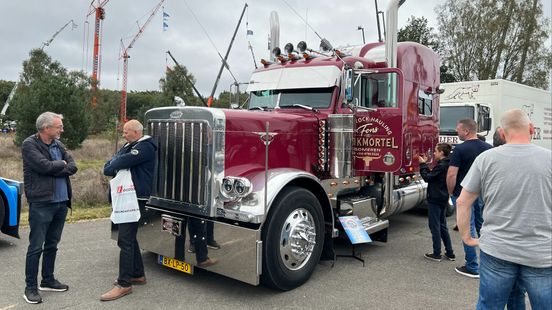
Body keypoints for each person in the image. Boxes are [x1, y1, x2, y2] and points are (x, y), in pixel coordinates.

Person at [456, 108, 551, 309]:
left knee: (490, 305)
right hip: (541, 253)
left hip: (498, 249)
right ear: (532, 129)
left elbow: (463, 202)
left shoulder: (486, 159)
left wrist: (467, 237)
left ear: (501, 133)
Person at [22, 112, 78, 304]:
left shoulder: (58, 144)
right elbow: (43, 166)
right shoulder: (29, 144)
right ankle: (30, 287)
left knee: (52, 245)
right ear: (46, 128)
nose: (62, 129)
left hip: (61, 203)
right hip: (42, 204)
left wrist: (58, 166)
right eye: (59, 127)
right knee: (36, 247)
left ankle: (47, 280)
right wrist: (59, 165)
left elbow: (73, 166)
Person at [101, 120, 156, 301]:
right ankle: (138, 274)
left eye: (126, 132)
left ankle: (124, 284)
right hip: (124, 197)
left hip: (134, 199)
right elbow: (110, 166)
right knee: (128, 238)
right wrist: (115, 162)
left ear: (135, 132)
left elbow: (119, 161)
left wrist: (115, 162)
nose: (123, 134)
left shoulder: (146, 147)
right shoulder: (128, 145)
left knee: (124, 240)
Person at [446, 119, 492, 278]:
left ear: (466, 131)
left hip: (464, 193)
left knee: (468, 228)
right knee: (483, 227)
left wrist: (451, 192)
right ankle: (489, 264)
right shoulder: (488, 148)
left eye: (458, 129)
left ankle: (472, 266)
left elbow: (452, 173)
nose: (456, 132)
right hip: (483, 193)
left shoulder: (459, 149)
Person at [418, 143, 455, 262]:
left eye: (436, 151)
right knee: (442, 225)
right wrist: (426, 164)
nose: (434, 153)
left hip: (435, 198)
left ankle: (436, 253)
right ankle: (450, 253)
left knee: (434, 226)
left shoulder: (441, 166)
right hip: (443, 197)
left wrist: (422, 164)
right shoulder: (448, 163)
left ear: (441, 152)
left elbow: (428, 177)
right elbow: (433, 175)